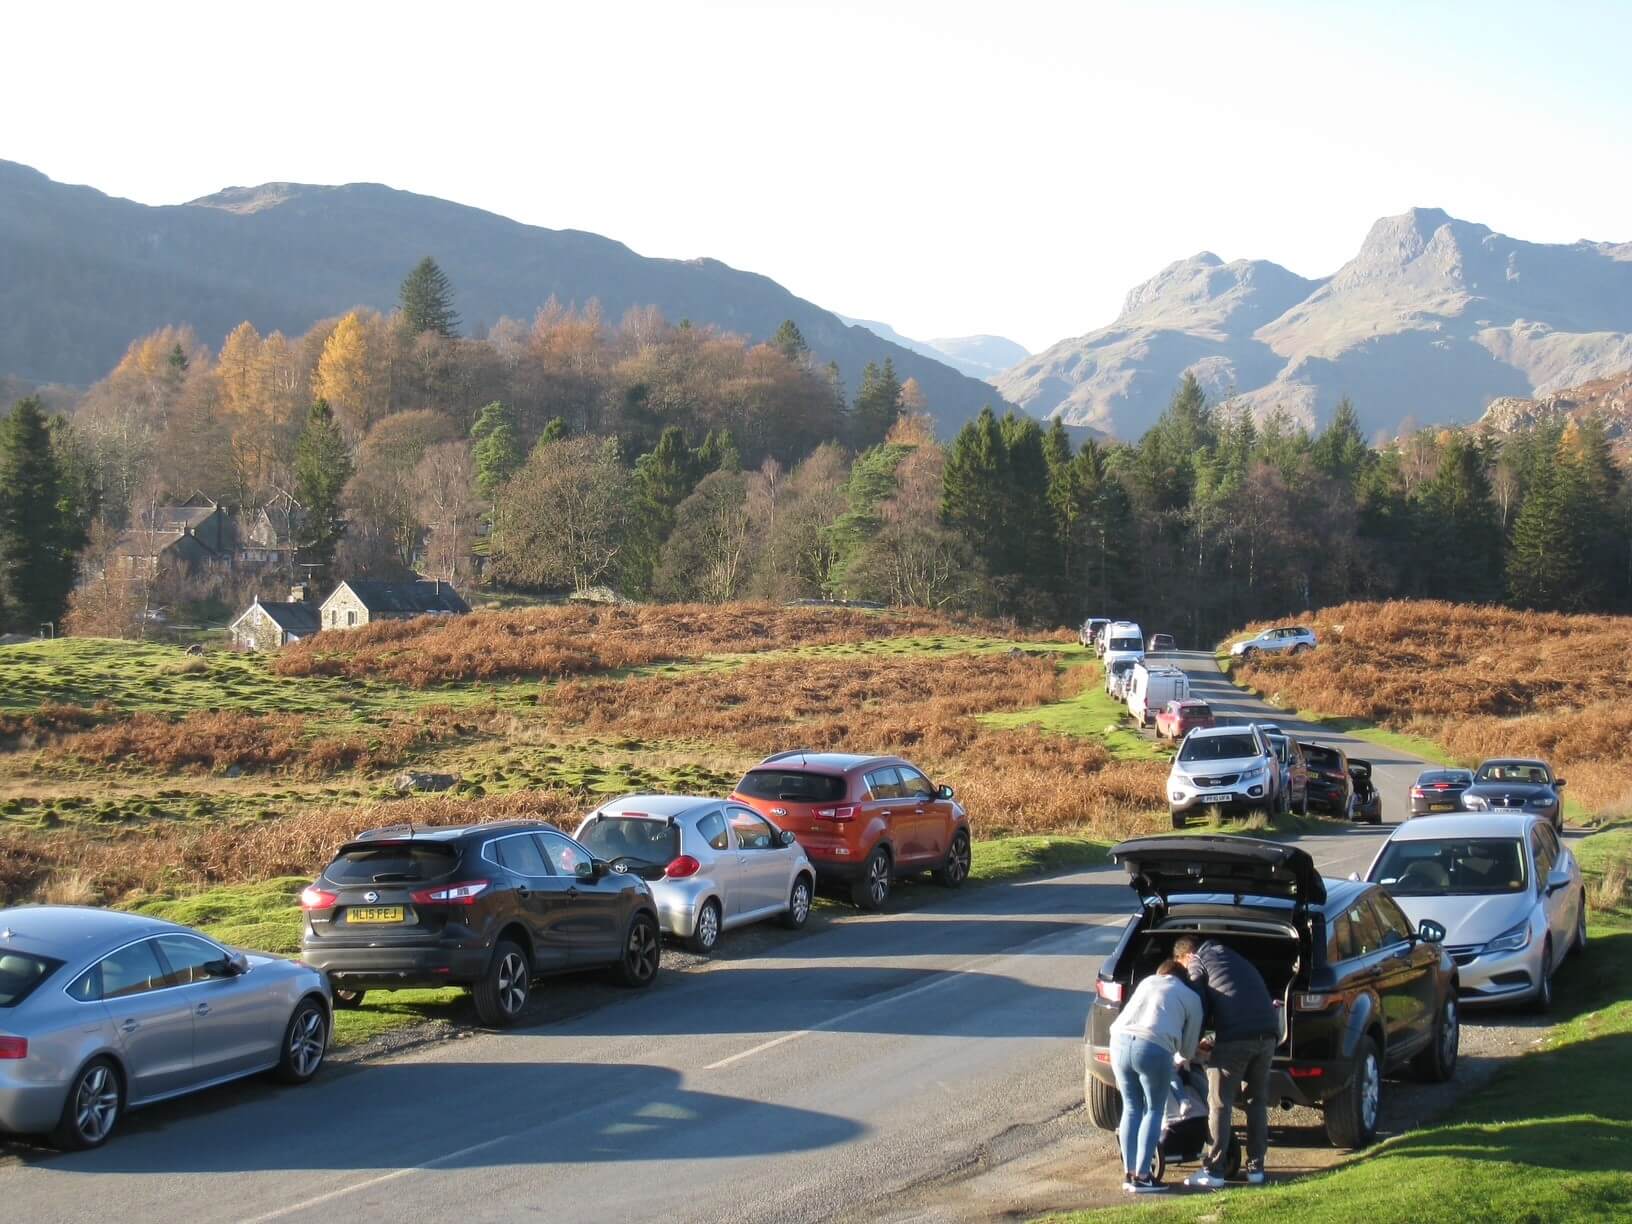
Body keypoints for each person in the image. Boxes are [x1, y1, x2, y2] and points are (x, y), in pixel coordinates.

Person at [1173, 935, 1279, 1188]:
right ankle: (1256, 1169)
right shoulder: (1232, 956)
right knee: (1256, 1101)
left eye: (1181, 966)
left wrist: (1187, 1046)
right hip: (1268, 1033)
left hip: (1237, 1038)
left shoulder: (1198, 960)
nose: (1185, 972)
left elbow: (1197, 1002)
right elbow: (1234, 997)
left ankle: (1214, 1171)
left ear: (1185, 956)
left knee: (1219, 1102)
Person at [1108, 958, 1203, 1193]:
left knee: (1131, 1108)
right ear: (1184, 979)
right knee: (1154, 1109)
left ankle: (1129, 1173)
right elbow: (1188, 1050)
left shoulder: (1147, 982)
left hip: (1118, 1041)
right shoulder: (1192, 997)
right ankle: (1142, 1177)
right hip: (1153, 1046)